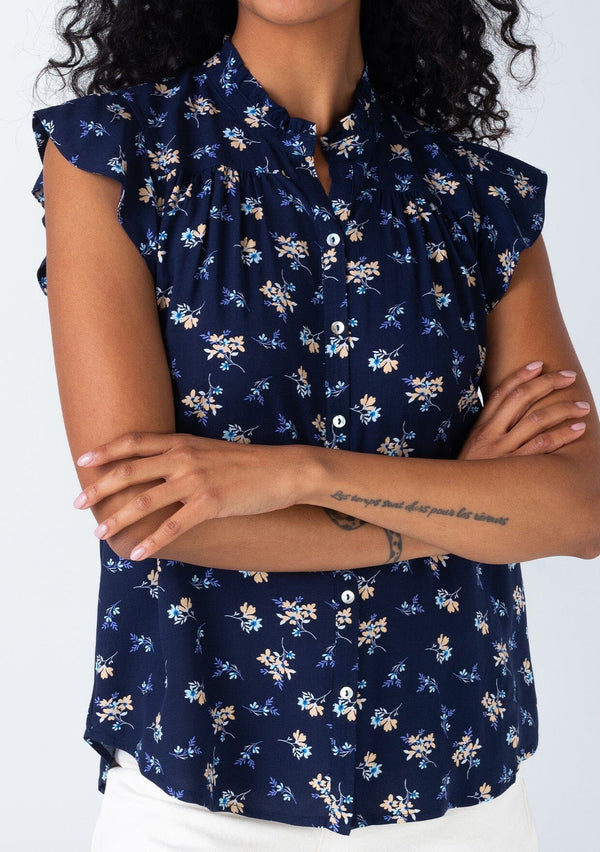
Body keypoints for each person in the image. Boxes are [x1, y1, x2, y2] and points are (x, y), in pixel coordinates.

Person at [31, 1, 600, 849]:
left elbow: (580, 510)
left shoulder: (479, 198)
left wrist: (301, 474)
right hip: (197, 800)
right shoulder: (115, 156)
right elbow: (143, 511)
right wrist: (465, 507)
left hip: (457, 798)